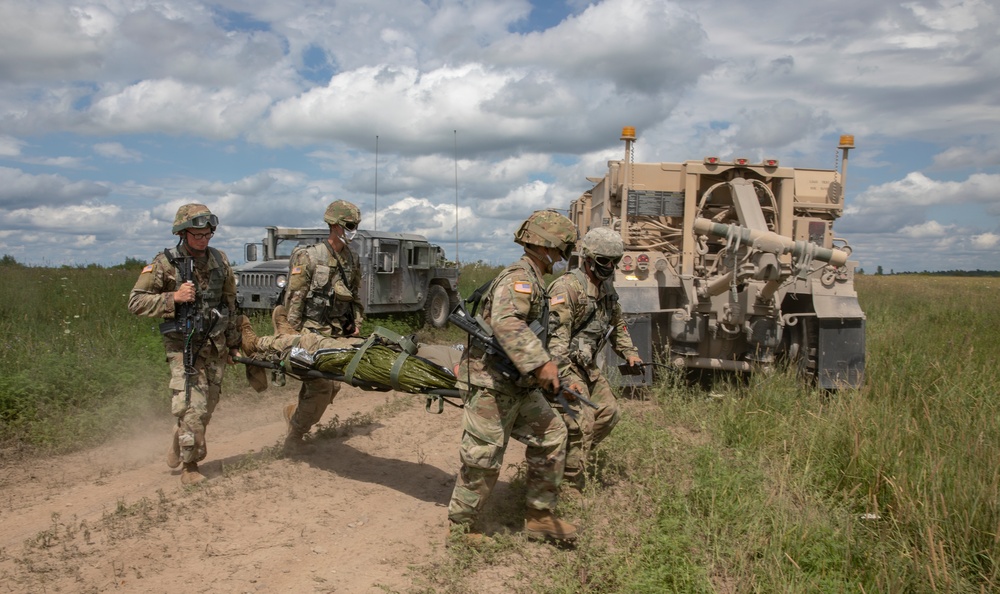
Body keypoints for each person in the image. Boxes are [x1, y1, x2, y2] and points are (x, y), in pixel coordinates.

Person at [446, 209, 579, 544]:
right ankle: (461, 529)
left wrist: (557, 375)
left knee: (552, 435)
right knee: (483, 457)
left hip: (518, 385)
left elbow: (537, 334)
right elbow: (507, 323)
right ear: (549, 246)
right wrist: (540, 365)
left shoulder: (534, 279)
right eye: (561, 250)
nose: (562, 258)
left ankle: (539, 517)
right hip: (491, 383)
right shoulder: (518, 278)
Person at [127, 203, 240, 485]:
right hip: (182, 346)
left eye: (207, 234)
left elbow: (230, 304)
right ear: (182, 233)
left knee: (207, 407)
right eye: (197, 234)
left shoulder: (220, 260)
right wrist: (173, 298)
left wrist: (234, 344)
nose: (203, 240)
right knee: (193, 407)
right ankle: (190, 466)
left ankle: (181, 440)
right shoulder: (165, 263)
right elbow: (135, 302)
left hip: (214, 345)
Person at [546, 227, 643, 495]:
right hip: (565, 365)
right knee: (582, 419)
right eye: (604, 261)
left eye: (615, 261)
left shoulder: (607, 289)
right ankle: (568, 484)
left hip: (586, 365)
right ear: (588, 258)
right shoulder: (567, 288)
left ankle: (569, 457)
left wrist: (629, 352)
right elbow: (555, 342)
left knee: (609, 413)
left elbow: (617, 322)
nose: (610, 267)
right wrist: (565, 378)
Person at [279, 200, 364, 454]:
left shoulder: (352, 259)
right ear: (334, 225)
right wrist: (291, 337)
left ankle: (296, 414)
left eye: (356, 225)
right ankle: (294, 437)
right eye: (349, 225)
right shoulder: (310, 256)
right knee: (322, 386)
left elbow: (356, 296)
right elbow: (295, 299)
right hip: (309, 333)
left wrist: (356, 322)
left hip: (336, 333)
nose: (353, 230)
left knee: (333, 385)